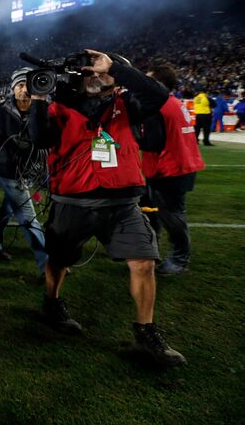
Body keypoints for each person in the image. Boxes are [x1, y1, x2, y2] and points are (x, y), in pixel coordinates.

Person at [29, 49, 185, 367]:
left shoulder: (128, 104)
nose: (94, 76)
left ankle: (146, 332)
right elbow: (39, 138)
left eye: (100, 71)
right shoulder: (60, 106)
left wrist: (115, 68)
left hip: (123, 203)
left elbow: (160, 94)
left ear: (115, 77)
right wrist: (38, 102)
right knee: (59, 259)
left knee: (144, 262)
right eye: (88, 72)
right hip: (73, 200)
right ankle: (52, 303)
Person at [0, 68, 47, 273]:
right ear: (13, 87)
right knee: (28, 217)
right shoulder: (1, 107)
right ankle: (47, 264)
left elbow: (50, 139)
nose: (24, 90)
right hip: (8, 170)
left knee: (8, 210)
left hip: (32, 169)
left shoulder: (43, 108)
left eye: (28, 85)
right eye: (20, 85)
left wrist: (31, 146)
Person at [141, 64, 205, 275]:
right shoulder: (173, 102)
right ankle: (152, 250)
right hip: (180, 164)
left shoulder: (157, 107)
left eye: (149, 80)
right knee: (153, 211)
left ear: (158, 84)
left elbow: (151, 142)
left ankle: (180, 259)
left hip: (169, 169)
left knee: (172, 216)